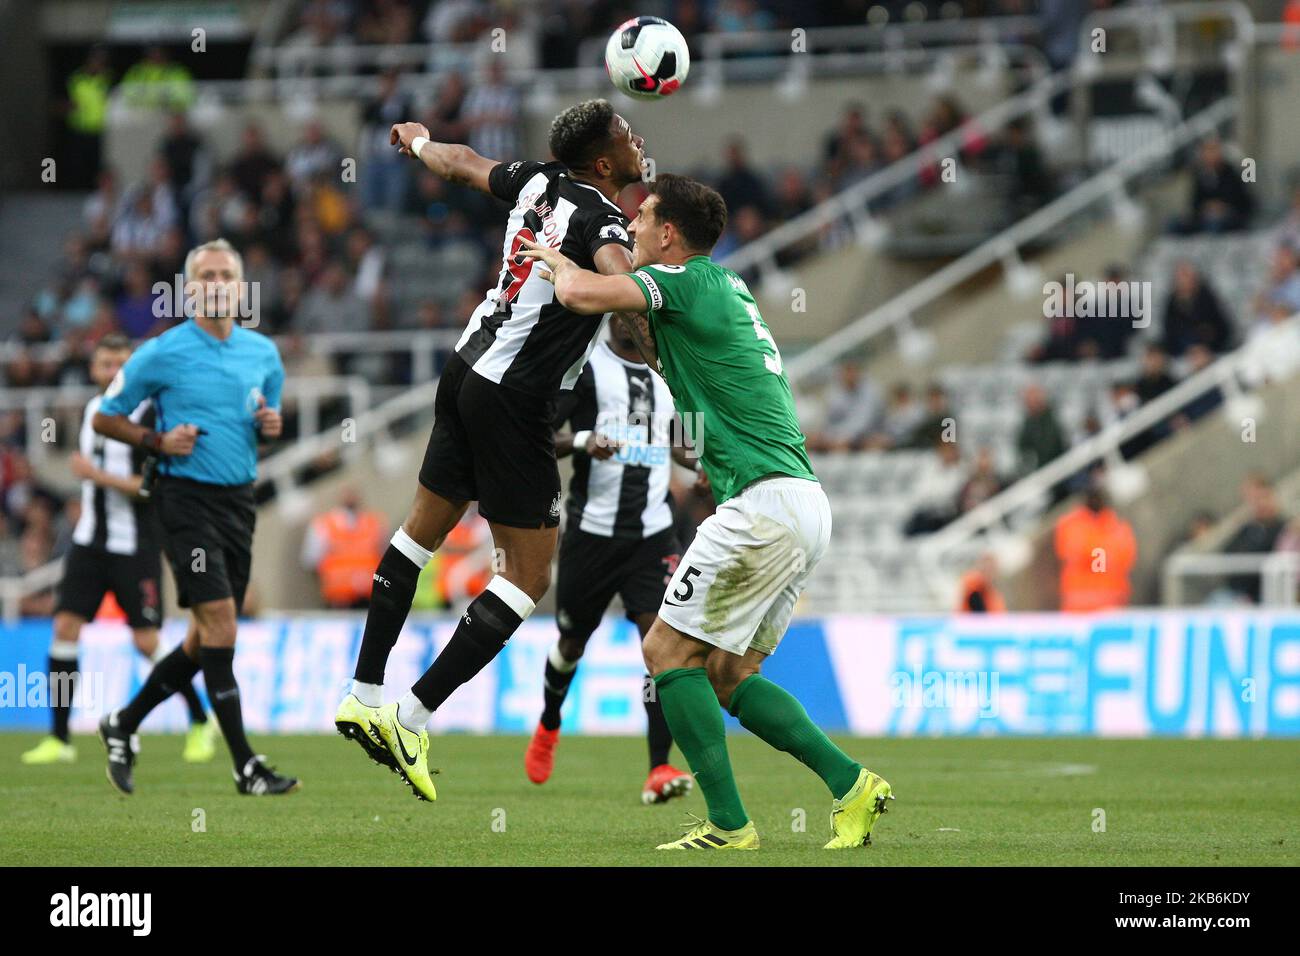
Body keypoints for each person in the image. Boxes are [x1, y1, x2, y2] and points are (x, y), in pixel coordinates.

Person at [520, 174, 891, 851]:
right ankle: (852, 785)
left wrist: (553, 258)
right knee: (728, 673)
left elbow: (579, 295)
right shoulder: (722, 293)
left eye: (642, 219)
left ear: (668, 234)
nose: (631, 229)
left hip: (762, 506)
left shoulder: (689, 281)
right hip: (800, 503)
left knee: (664, 650)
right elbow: (668, 371)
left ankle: (729, 824)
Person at [333, 99, 649, 803]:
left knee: (421, 532)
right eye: (628, 136)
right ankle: (410, 718)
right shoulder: (602, 219)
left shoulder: (538, 183)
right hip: (517, 396)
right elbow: (622, 286)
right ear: (603, 162)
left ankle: (362, 692)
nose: (639, 141)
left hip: (467, 365)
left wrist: (418, 143)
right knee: (529, 573)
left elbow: (464, 164)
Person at [93, 239, 296, 797]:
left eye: (224, 275)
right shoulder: (160, 353)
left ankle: (123, 723)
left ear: (240, 287)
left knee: (200, 638)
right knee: (223, 623)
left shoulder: (264, 356)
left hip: (238, 502)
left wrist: (269, 426)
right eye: (204, 275)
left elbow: (263, 421)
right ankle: (245, 766)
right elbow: (106, 419)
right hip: (182, 500)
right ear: (188, 289)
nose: (214, 283)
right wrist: (158, 439)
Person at [20, 335, 214, 767]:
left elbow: (151, 489)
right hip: (88, 544)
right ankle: (59, 737)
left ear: (131, 369)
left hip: (135, 548)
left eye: (118, 365)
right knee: (65, 629)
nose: (110, 372)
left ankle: (200, 719)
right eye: (104, 364)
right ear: (92, 369)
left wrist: (94, 476)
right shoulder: (92, 412)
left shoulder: (149, 416)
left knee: (147, 642)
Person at [524, 318, 694, 804]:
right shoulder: (586, 366)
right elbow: (540, 435)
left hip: (652, 535)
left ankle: (659, 767)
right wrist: (583, 441)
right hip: (592, 536)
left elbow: (677, 441)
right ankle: (550, 723)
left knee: (662, 647)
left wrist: (703, 464)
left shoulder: (666, 371)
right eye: (616, 306)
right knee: (571, 643)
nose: (626, 317)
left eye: (634, 307)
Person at [1053, 473, 1137, 612]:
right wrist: (1103, 551)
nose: (1096, 496)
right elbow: (1074, 552)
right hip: (1079, 606)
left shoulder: (1116, 525)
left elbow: (1126, 558)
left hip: (1113, 603)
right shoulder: (1071, 524)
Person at [301, 487, 388, 609]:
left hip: (370, 596)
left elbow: (384, 556)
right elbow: (311, 561)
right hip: (339, 599)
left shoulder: (374, 523)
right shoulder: (324, 525)